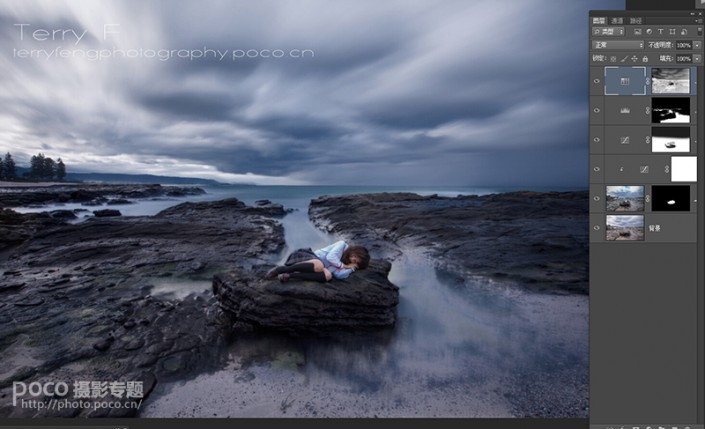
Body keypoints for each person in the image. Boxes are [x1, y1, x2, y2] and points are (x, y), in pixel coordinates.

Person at [265, 240, 370, 283]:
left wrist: (351, 268)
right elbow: (330, 257)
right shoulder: (342, 245)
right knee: (320, 265)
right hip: (306, 256)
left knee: (328, 276)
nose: (352, 258)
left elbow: (338, 275)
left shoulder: (345, 264)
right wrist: (344, 265)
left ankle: (289, 276)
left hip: (315, 267)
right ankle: (281, 269)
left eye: (355, 260)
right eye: (354, 255)